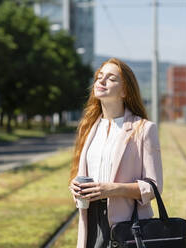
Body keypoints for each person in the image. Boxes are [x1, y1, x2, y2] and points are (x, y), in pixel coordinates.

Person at [68, 57, 163, 248]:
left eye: (111, 78)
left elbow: (154, 187)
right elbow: (82, 173)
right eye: (99, 77)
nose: (101, 81)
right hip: (91, 221)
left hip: (127, 225)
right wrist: (75, 186)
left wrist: (112, 189)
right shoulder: (89, 128)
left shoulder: (144, 129)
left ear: (125, 91)